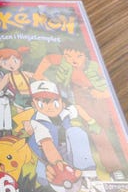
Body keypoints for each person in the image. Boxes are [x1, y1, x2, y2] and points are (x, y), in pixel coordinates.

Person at [34, 41, 127, 181]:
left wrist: (101, 94)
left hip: (98, 100)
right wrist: (38, 74)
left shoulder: (95, 66)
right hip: (76, 98)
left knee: (101, 132)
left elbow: (111, 85)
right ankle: (83, 170)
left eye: (78, 56)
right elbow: (48, 59)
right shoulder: (64, 62)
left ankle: (114, 169)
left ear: (85, 55)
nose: (73, 60)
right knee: (77, 132)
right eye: (68, 56)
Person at [24, 80, 100, 192]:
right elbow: (47, 144)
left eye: (54, 103)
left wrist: (91, 121)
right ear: (34, 105)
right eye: (42, 104)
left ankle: (88, 174)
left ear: (63, 103)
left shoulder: (64, 112)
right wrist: (59, 164)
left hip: (68, 152)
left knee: (76, 132)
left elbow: (77, 108)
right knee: (44, 181)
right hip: (47, 156)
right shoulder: (38, 122)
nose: (50, 108)